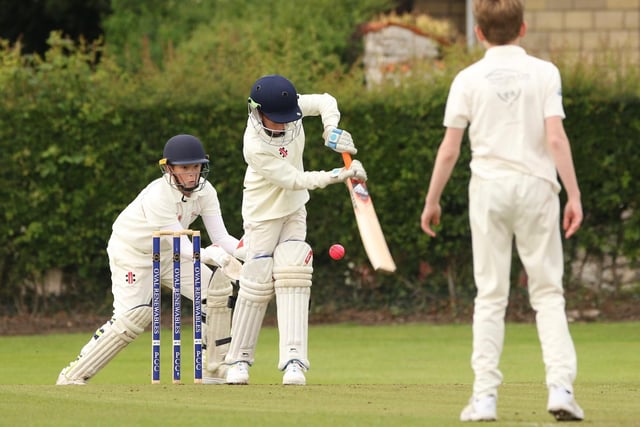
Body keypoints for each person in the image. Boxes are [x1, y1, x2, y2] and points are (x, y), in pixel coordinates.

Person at [420, 0, 584, 422]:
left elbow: (450, 148)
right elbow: (557, 139)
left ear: (478, 33)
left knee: (491, 296)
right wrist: (574, 195)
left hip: (489, 190)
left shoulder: (467, 78)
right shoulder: (545, 73)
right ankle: (561, 389)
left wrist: (432, 200)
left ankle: (485, 398)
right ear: (523, 28)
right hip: (538, 189)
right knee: (548, 293)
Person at [57, 134, 242, 385]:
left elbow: (221, 236)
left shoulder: (206, 192)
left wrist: (253, 253)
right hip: (134, 253)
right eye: (185, 167)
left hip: (169, 254)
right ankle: (73, 375)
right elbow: (184, 245)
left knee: (217, 292)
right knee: (133, 318)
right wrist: (216, 256)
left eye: (196, 166)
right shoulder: (159, 195)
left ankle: (214, 369)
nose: (192, 174)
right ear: (168, 168)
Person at [223, 74, 367, 386]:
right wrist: (339, 174)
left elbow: (327, 100)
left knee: (293, 270)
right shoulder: (254, 146)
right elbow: (293, 179)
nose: (283, 126)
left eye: (287, 119)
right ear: (257, 112)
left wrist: (331, 129)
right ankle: (238, 361)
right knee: (257, 280)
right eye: (276, 120)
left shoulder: (292, 109)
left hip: (294, 209)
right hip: (262, 215)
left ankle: (294, 361)